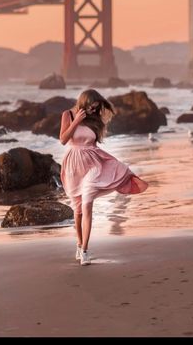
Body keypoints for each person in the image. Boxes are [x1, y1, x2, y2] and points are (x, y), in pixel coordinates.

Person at [59, 89, 148, 266]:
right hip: (73, 166)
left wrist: (113, 163)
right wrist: (76, 121)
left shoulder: (95, 121)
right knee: (77, 210)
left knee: (88, 203)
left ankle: (85, 250)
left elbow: (92, 145)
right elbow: (63, 139)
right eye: (92, 106)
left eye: (97, 107)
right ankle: (79, 243)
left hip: (92, 164)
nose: (94, 110)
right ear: (84, 101)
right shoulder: (68, 114)